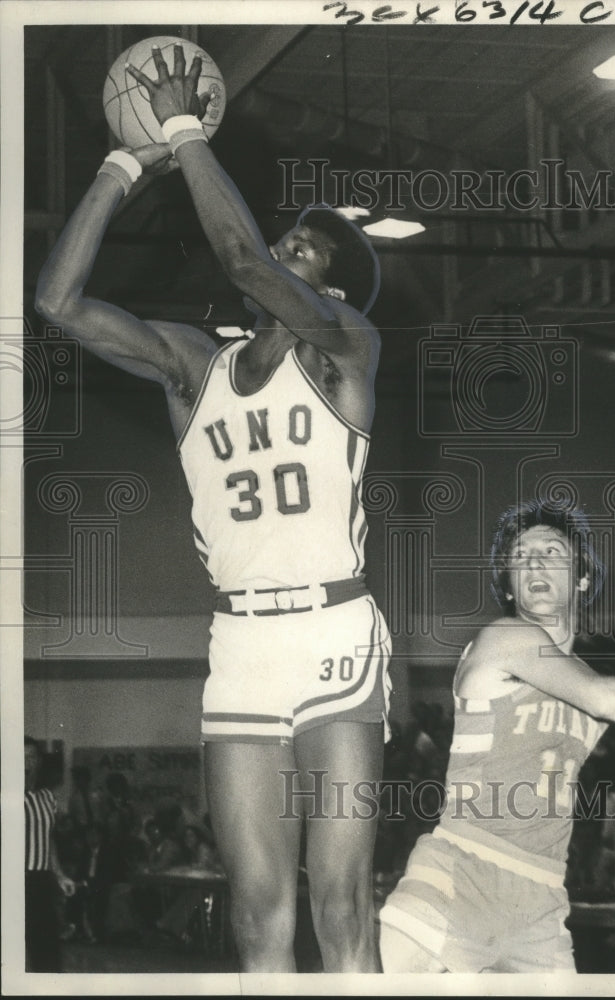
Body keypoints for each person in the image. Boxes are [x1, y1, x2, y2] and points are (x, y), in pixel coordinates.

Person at [35, 44, 390, 973]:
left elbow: (236, 253)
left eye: (300, 251)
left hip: (333, 634)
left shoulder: (346, 348)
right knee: (254, 919)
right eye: (284, 241)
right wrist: (122, 163)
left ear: (331, 288)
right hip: (238, 648)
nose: (276, 252)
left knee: (342, 911)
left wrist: (185, 127)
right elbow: (57, 301)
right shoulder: (198, 365)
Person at [378, 500, 615, 974]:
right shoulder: (505, 639)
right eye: (521, 555)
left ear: (581, 578)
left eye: (551, 550)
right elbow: (606, 699)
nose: (534, 561)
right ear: (510, 585)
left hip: (541, 901)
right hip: (461, 877)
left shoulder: (579, 675)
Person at [24, 736, 76, 971]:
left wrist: (60, 875)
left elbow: (48, 839)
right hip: (9, 881)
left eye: (31, 757)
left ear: (39, 762)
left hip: (40, 880)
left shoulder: (47, 798)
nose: (26, 762)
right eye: (21, 757)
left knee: (46, 950)